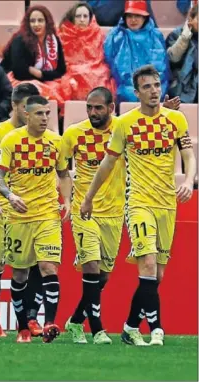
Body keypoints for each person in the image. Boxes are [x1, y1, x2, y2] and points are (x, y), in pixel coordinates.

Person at [81, 65, 197, 346]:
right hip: (138, 202)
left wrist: (189, 180)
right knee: (146, 262)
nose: (154, 91)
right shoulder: (125, 123)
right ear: (137, 92)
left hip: (167, 203)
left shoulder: (176, 119)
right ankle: (157, 328)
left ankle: (131, 326)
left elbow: (189, 155)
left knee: (157, 274)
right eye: (147, 87)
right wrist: (88, 197)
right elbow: (108, 163)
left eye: (157, 85)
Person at [0, 95, 70, 343]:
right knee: (20, 274)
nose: (45, 118)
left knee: (49, 266)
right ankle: (23, 327)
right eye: (39, 113)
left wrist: (67, 200)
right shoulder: (11, 140)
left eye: (47, 113)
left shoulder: (56, 142)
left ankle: (49, 323)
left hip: (47, 214)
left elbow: (64, 174)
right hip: (19, 216)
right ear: (27, 115)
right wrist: (10, 195)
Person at [0, 84, 44, 338]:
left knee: (33, 264)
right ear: (14, 105)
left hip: (32, 210)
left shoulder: (41, 133)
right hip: (1, 209)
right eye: (26, 107)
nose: (31, 113)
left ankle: (30, 320)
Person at [57, 87, 125, 345]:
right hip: (84, 211)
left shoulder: (122, 130)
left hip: (114, 212)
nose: (93, 112)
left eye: (98, 108)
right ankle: (97, 330)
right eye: (89, 107)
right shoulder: (74, 133)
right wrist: (67, 199)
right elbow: (62, 170)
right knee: (92, 266)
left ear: (111, 108)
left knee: (102, 277)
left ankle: (75, 321)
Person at [0, 5, 67, 109]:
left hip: (44, 79)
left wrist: (40, 74)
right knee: (37, 90)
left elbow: (61, 70)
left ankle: (58, 121)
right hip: (18, 79)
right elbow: (19, 72)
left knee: (66, 86)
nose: (36, 24)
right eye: (32, 21)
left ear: (47, 22)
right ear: (28, 23)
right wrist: (36, 74)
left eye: (40, 20)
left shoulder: (54, 40)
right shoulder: (20, 40)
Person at [104, 0, 170, 103]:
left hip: (151, 88)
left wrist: (148, 88)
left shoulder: (155, 36)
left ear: (144, 17)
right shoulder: (116, 36)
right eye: (129, 16)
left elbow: (160, 69)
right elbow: (114, 67)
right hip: (125, 90)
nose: (133, 20)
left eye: (137, 16)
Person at [58, 2, 116, 101]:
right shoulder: (63, 34)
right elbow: (61, 61)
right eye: (78, 16)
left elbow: (102, 58)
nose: (82, 19)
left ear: (90, 18)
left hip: (96, 69)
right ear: (72, 18)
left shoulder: (99, 34)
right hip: (70, 71)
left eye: (85, 16)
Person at [166, 4, 198, 103]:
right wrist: (184, 38)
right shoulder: (176, 35)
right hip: (180, 90)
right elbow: (172, 59)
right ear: (190, 20)